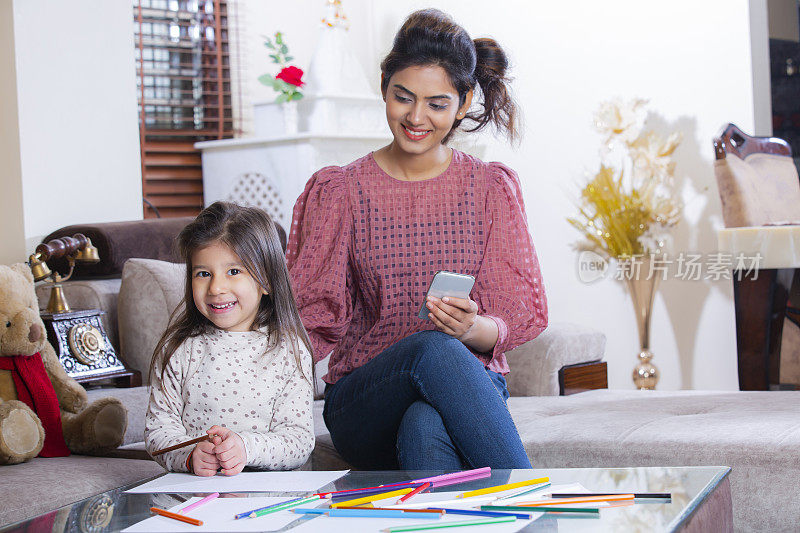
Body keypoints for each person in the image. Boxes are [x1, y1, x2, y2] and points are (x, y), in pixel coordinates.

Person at [287, 8, 548, 470]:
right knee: (432, 347)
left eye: (437, 103)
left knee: (424, 423)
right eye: (403, 97)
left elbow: (512, 313)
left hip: (463, 390)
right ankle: (535, 505)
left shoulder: (489, 189)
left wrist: (472, 329)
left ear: (464, 102)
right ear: (384, 85)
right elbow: (309, 319)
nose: (416, 117)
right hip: (364, 402)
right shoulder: (341, 191)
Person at [145, 201, 314, 476]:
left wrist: (246, 448)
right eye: (203, 274)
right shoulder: (178, 349)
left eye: (233, 272)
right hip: (197, 494)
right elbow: (158, 432)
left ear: (266, 281)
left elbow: (298, 440)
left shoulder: (288, 350)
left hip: (266, 497)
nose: (216, 287)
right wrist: (189, 456)